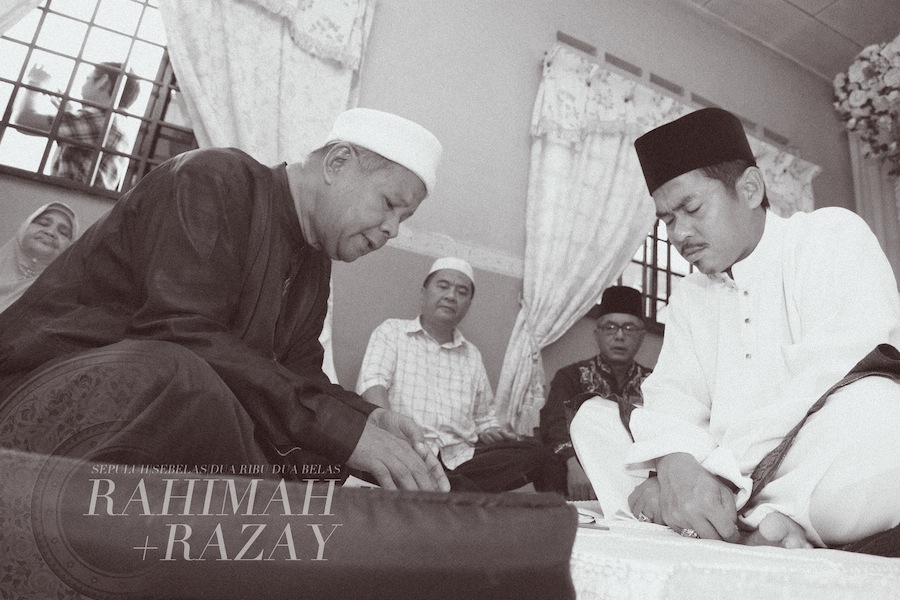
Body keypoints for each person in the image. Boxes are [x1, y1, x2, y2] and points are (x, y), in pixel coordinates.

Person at [0, 107, 449, 493]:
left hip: (158, 414)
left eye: (403, 218)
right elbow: (180, 332)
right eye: (389, 203)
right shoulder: (212, 178)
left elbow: (298, 375)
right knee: (187, 377)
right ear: (338, 162)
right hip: (44, 394)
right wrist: (345, 432)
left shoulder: (313, 262)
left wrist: (368, 420)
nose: (392, 229)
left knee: (315, 454)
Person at [571, 107, 900, 553]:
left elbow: (834, 372)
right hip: (716, 470)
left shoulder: (829, 235)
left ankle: (722, 518)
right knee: (593, 420)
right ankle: (759, 524)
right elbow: (674, 399)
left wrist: (716, 473)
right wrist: (675, 462)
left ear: (749, 189)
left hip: (799, 454)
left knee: (881, 414)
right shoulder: (690, 295)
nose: (679, 234)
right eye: (668, 220)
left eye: (692, 209)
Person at [356, 257, 555, 492]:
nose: (451, 296)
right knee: (361, 451)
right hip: (406, 451)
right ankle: (446, 491)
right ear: (424, 293)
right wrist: (393, 439)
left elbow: (484, 418)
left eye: (462, 292)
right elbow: (372, 385)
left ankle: (440, 488)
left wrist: (491, 432)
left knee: (538, 453)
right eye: (443, 286)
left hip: (461, 460)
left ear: (468, 304)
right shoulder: (392, 331)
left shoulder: (472, 354)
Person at [539, 285, 652, 500]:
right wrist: (573, 464)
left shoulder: (654, 383)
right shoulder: (571, 376)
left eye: (629, 328)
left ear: (641, 336)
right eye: (610, 327)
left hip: (638, 478)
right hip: (582, 474)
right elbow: (554, 425)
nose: (619, 336)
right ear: (597, 334)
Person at [12, 62, 140, 190]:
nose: (83, 85)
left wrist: (34, 83)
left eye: (88, 78)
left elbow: (24, 120)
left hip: (64, 196)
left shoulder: (99, 119)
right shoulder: (116, 123)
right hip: (80, 199)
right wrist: (69, 112)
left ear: (103, 82)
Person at [0, 202, 78, 314]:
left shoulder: (63, 300)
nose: (50, 232)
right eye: (43, 223)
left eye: (63, 232)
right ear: (24, 229)